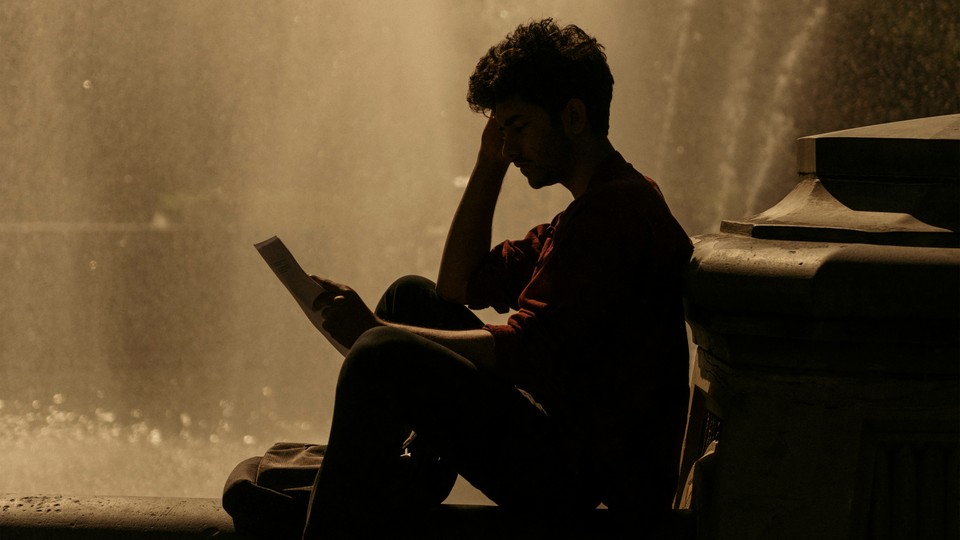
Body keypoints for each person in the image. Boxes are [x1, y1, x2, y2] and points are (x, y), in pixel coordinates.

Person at [298, 18, 693, 538]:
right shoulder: (588, 209)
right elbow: (456, 286)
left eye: (519, 127)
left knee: (378, 354)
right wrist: (489, 162)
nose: (509, 147)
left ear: (574, 116)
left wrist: (376, 330)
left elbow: (525, 349)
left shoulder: (614, 214)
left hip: (585, 478)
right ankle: (396, 484)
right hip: (561, 437)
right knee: (409, 296)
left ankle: (342, 519)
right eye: (500, 131)